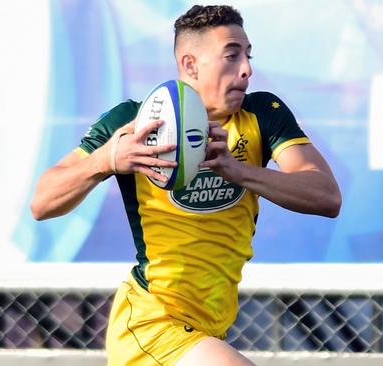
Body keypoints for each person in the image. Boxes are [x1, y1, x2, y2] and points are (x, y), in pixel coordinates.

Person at [30, 4, 341, 365]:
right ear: (190, 65)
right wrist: (106, 160)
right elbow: (42, 203)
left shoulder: (262, 114)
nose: (247, 69)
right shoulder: (134, 123)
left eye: (248, 55)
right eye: (231, 55)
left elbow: (326, 196)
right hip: (151, 324)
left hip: (209, 326)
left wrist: (240, 172)